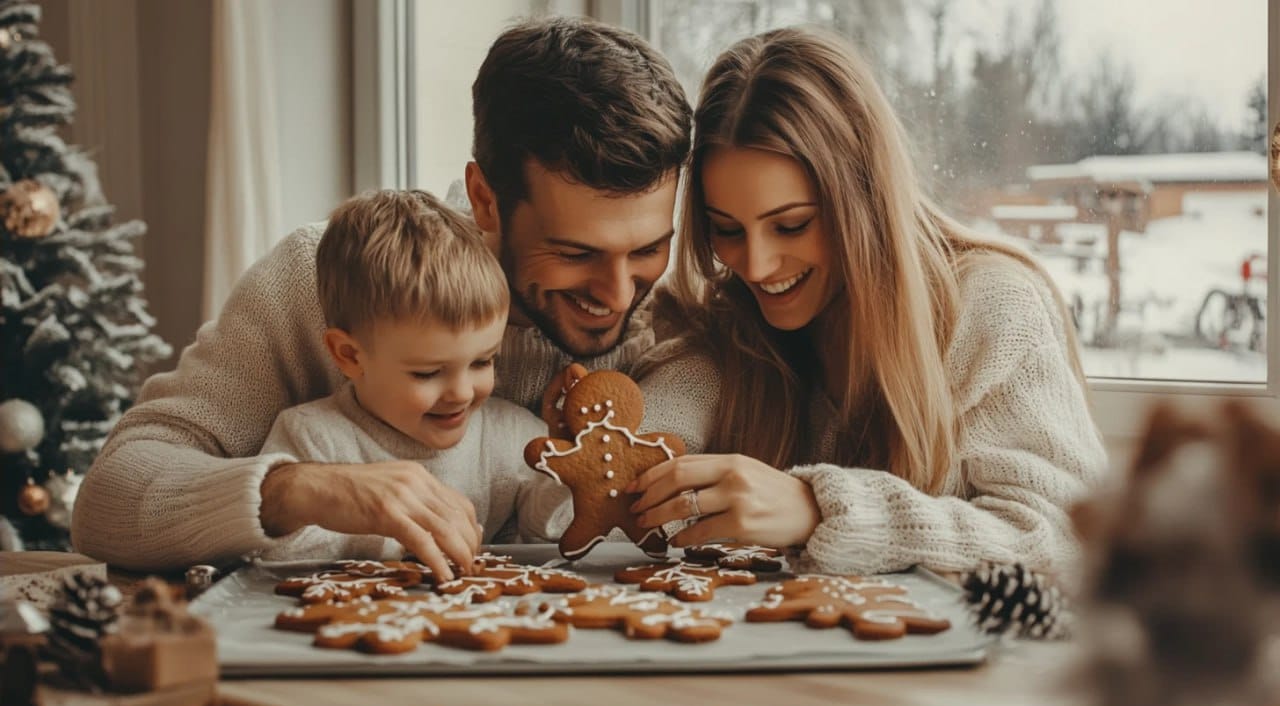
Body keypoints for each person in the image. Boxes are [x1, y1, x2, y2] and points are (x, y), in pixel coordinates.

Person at [72, 16, 691, 572]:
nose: (616, 294)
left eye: (645, 250)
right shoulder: (318, 278)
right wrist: (298, 490)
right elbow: (109, 502)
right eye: (575, 253)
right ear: (484, 199)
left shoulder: (673, 333)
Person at [626, 27, 1107, 578]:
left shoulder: (990, 309)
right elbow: (637, 443)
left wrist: (820, 509)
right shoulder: (731, 324)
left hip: (957, 661)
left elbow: (1075, 538)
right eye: (727, 230)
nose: (755, 266)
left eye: (791, 225)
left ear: (864, 200)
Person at [255, 190, 569, 578]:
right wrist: (395, 538)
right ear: (350, 356)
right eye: (427, 372)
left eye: (482, 361)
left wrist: (567, 463)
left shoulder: (511, 434)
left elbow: (550, 534)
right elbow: (275, 555)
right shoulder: (311, 439)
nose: (463, 393)